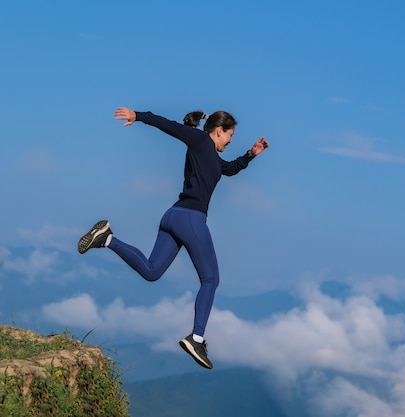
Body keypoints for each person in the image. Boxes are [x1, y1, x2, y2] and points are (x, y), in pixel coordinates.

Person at [77, 107, 269, 369]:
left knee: (152, 271)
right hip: (190, 218)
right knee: (211, 279)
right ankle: (197, 337)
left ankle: (107, 238)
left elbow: (228, 169)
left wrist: (250, 155)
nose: (231, 140)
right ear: (219, 130)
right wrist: (138, 115)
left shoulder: (210, 155)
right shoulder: (201, 140)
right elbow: (168, 126)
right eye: (230, 135)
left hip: (173, 216)